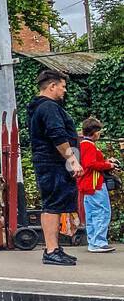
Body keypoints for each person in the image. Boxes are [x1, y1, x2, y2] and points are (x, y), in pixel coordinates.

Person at [27, 68, 83, 266]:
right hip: (52, 163)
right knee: (52, 205)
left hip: (49, 162)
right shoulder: (49, 108)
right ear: (52, 86)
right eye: (62, 86)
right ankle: (51, 250)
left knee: (54, 204)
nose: (64, 91)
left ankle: (54, 248)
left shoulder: (39, 107)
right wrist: (72, 160)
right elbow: (57, 135)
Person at [78, 116, 117, 253]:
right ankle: (99, 242)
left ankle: (93, 241)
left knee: (92, 213)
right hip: (95, 184)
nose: (100, 134)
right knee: (102, 212)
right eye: (99, 131)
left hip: (87, 184)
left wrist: (105, 161)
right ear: (94, 132)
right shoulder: (89, 146)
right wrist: (109, 165)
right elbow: (91, 164)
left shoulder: (83, 144)